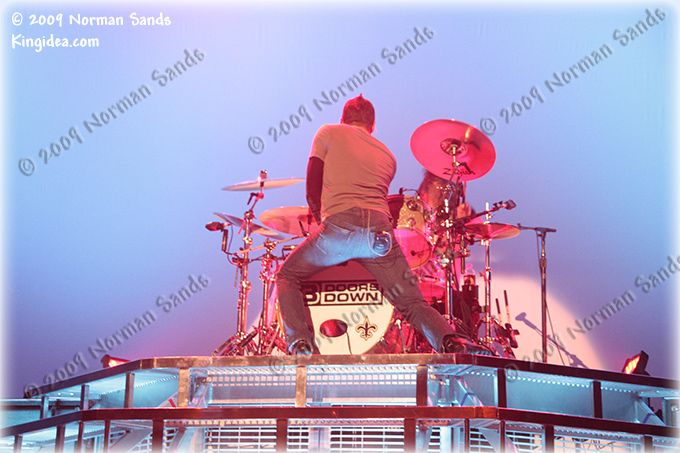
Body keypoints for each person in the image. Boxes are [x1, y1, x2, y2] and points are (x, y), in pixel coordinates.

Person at [275, 94, 489, 356]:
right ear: (373, 126)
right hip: (379, 235)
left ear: (342, 119)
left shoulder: (328, 132)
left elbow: (312, 186)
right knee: (411, 302)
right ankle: (451, 340)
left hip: (339, 227)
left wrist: (323, 224)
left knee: (287, 276)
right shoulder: (388, 155)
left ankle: (301, 346)